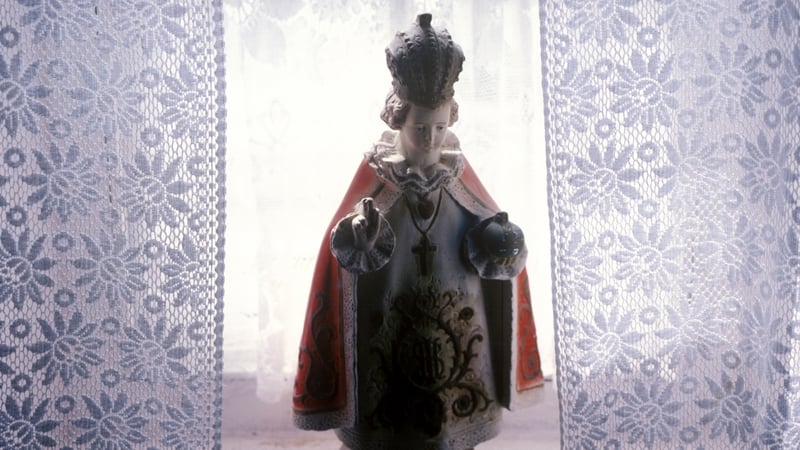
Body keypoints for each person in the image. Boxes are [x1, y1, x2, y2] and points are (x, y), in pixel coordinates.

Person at [292, 14, 543, 450]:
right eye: (420, 128)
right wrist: (361, 234)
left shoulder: (458, 174)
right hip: (389, 309)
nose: (431, 138)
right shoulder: (380, 178)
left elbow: (484, 220)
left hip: (456, 309)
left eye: (441, 127)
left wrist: (501, 241)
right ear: (399, 119)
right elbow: (343, 248)